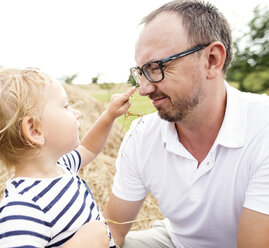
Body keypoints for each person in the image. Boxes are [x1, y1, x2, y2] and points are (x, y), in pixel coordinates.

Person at [103, 0, 269, 247]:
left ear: (211, 60)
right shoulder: (142, 135)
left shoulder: (263, 128)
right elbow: (113, 230)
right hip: (175, 240)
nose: (144, 89)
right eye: (141, 72)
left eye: (156, 67)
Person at [0, 67, 136, 247]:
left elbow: (88, 148)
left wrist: (109, 115)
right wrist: (85, 242)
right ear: (34, 129)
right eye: (65, 106)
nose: (77, 113)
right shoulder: (23, 209)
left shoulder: (62, 166)